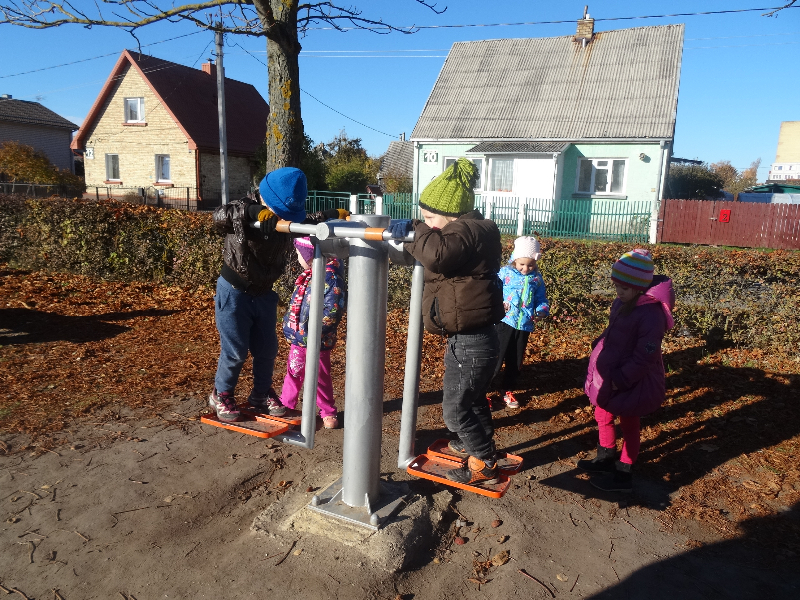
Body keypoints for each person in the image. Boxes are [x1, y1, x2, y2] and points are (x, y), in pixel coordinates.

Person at [389, 158, 505, 486]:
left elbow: (437, 255)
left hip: (472, 341)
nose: (426, 224)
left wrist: (415, 229)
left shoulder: (466, 232)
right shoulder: (467, 234)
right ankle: (476, 445)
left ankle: (484, 463)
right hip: (469, 338)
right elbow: (437, 255)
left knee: (455, 411)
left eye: (429, 217)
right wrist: (419, 233)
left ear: (450, 215)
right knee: (472, 399)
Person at [208, 167, 348, 423]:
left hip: (263, 294)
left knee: (267, 349)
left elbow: (305, 223)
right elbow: (220, 215)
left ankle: (260, 394)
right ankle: (222, 393)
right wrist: (254, 213)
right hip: (234, 293)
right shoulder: (244, 207)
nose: (284, 219)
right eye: (280, 212)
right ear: (265, 198)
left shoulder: (283, 219)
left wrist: (329, 216)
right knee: (235, 350)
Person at [579, 249, 675, 493]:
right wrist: (600, 343)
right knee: (602, 414)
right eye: (616, 286)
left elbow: (646, 355)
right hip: (611, 372)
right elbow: (613, 330)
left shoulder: (651, 315)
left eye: (623, 288)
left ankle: (624, 471)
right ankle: (605, 456)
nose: (618, 292)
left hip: (631, 380)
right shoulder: (622, 303)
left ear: (639, 287)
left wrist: (622, 379)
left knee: (629, 423)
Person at [278, 236, 346, 429]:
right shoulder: (307, 276)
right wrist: (290, 324)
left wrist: (317, 331)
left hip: (318, 340)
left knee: (320, 377)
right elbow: (296, 305)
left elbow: (333, 310)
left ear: (309, 256)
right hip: (299, 337)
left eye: (299, 254)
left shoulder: (331, 278)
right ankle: (286, 405)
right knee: (294, 371)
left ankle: (327, 411)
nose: (297, 257)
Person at [491, 235, 550, 409]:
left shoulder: (536, 279)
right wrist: (497, 303)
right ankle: (483, 391)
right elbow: (492, 290)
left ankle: (507, 389)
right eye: (522, 264)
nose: (525, 269)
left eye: (530, 265)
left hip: (524, 324)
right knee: (495, 359)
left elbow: (541, 299)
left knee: (515, 361)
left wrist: (541, 310)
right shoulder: (504, 273)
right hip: (504, 321)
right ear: (514, 260)